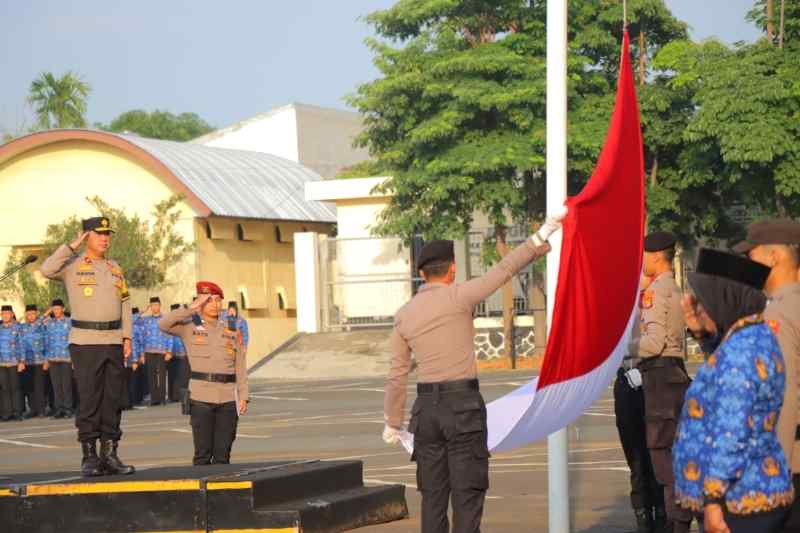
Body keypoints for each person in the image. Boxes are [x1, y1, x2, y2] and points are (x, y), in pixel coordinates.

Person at [382, 212, 565, 533]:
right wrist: (543, 234)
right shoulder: (460, 295)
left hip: (425, 414)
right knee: (467, 497)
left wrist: (392, 422)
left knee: (433, 499)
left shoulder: (404, 314)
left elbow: (397, 374)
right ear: (452, 269)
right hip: (463, 408)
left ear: (421, 274)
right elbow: (505, 269)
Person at [674, 248, 793, 533]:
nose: (700, 308)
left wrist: (713, 501)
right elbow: (726, 379)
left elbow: (732, 430)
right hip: (756, 491)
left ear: (725, 300)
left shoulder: (741, 352)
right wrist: (705, 335)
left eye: (705, 302)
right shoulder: (753, 336)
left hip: (738, 501)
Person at [40, 216, 135, 477]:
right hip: (85, 342)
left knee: (112, 399)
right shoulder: (72, 265)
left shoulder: (115, 268)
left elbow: (125, 303)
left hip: (113, 340)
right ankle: (90, 456)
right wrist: (71, 246)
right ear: (86, 236)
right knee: (90, 398)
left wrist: (127, 337)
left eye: (107, 234)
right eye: (98, 234)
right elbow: (47, 269)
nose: (105, 238)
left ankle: (110, 454)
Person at [631, 231, 692, 533]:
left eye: (642, 255)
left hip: (659, 380)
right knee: (679, 458)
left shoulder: (654, 292)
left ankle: (676, 524)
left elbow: (653, 343)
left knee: (664, 462)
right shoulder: (674, 288)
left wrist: (621, 350)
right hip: (676, 376)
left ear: (656, 256)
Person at [159, 282, 248, 465]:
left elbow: (240, 365)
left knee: (223, 454)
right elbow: (163, 324)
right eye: (209, 301)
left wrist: (243, 395)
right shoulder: (190, 326)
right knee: (202, 454)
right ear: (200, 302)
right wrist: (191, 308)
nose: (215, 304)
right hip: (201, 397)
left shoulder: (231, 329)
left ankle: (222, 493)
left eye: (217, 300)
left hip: (228, 397)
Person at [615, 274, 662, 533]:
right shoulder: (621, 306)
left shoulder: (659, 299)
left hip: (654, 378)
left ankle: (663, 514)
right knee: (635, 456)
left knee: (657, 455)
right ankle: (643, 518)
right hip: (628, 382)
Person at [137, 297, 173, 406]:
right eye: (152, 305)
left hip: (162, 350)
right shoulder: (146, 320)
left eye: (156, 305)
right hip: (149, 350)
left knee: (162, 375)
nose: (154, 307)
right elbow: (133, 321)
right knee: (151, 375)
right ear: (150, 307)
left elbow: (170, 335)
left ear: (160, 305)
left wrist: (169, 351)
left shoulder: (165, 318)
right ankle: (154, 398)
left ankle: (162, 398)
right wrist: (142, 353)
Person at [44, 299, 73, 419]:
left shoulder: (69, 322)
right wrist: (46, 359)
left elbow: (73, 341)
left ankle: (68, 409)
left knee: (66, 385)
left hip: (66, 358)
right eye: (54, 309)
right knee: (56, 386)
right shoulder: (49, 323)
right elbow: (46, 342)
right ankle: (59, 409)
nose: (56, 311)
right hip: (53, 358)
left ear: (63, 309)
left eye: (57, 308)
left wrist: (74, 358)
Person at [19, 304, 47, 418]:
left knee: (39, 386)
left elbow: (47, 342)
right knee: (29, 387)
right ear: (26, 315)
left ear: (36, 314)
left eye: (33, 314)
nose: (30, 316)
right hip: (27, 361)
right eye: (28, 314)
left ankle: (41, 410)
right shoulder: (22, 327)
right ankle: (32, 409)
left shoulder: (42, 326)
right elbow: (20, 344)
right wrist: (21, 360)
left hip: (40, 361)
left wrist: (47, 359)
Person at [0, 305, 24, 421]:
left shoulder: (17, 328)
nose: (5, 316)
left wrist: (22, 361)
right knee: (5, 389)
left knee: (15, 388)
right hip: (2, 363)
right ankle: (7, 413)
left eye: (8, 313)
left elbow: (22, 345)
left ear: (12, 314)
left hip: (15, 362)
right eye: (3, 314)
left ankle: (17, 412)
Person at [167, 303, 189, 404]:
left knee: (184, 377)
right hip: (172, 354)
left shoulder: (185, 322)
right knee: (173, 376)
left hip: (185, 354)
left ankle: (184, 398)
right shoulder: (168, 324)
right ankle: (173, 396)